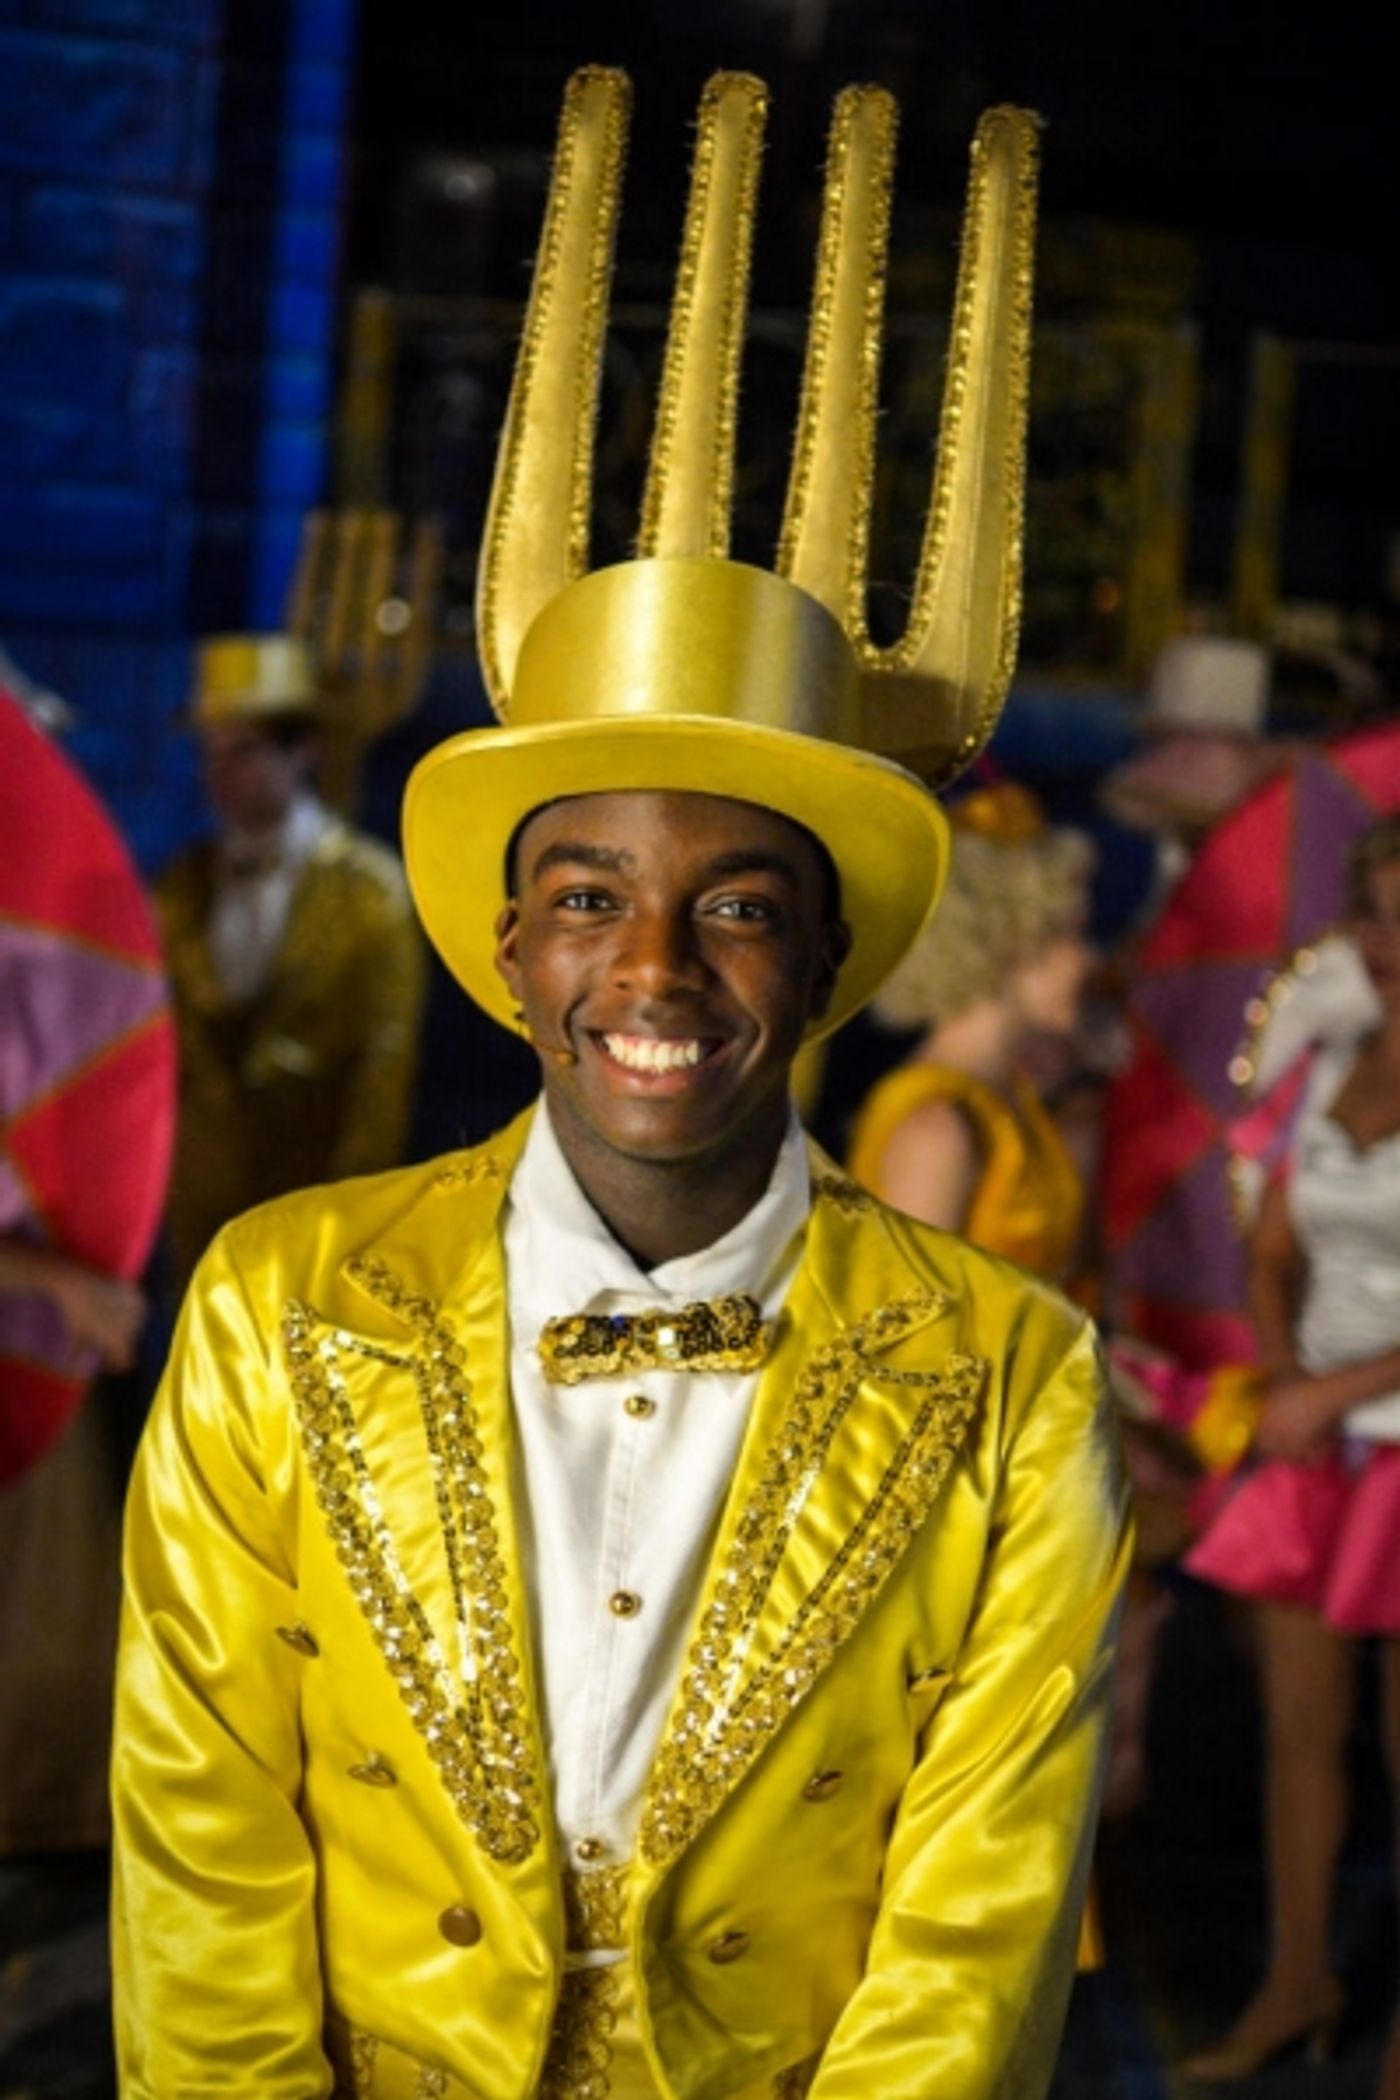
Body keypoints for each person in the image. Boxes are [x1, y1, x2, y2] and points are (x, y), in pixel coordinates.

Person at [112, 68, 1129, 2098]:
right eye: (590, 896)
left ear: (831, 964)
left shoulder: (1014, 1383)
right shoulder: (272, 1310)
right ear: (508, 949)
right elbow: (203, 1858)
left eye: (740, 908)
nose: (653, 970)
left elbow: (973, 1931)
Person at [1184, 813, 1400, 2087]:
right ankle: (1294, 1982)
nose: (1383, 943)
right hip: (1313, 1445)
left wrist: (1334, 1395)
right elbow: (1270, 1250)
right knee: (1295, 1739)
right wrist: (1278, 1379)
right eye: (1370, 913)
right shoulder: (1324, 1063)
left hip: (1378, 1441)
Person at [155, 634, 426, 1284]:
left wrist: (352, 1224)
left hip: (314, 1214)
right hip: (195, 1210)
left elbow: (382, 1074)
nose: (220, 773)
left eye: (242, 750)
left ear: (304, 750)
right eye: (211, 751)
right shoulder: (180, 885)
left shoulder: (370, 893)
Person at [846, 782, 1094, 1280]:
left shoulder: (1005, 1101)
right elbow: (902, 1339)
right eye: (1071, 934)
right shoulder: (937, 1128)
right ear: (1018, 942)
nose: (1088, 959)